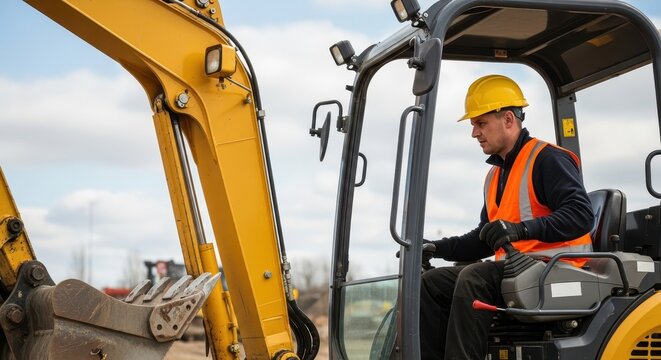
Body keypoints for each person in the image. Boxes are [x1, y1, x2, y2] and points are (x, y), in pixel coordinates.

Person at [419, 74, 595, 359]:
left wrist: (520, 230)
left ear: (509, 120)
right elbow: (485, 237)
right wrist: (437, 248)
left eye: (480, 123)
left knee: (475, 276)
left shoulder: (547, 159)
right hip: (517, 272)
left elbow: (581, 215)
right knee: (432, 283)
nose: (474, 133)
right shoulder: (495, 175)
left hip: (556, 272)